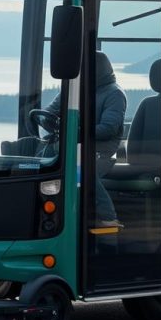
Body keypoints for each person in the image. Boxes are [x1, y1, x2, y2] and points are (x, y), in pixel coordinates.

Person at [43, 51, 126, 228]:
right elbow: (49, 112)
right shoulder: (75, 90)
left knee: (81, 168)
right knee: (35, 156)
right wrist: (46, 120)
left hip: (100, 151)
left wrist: (76, 132)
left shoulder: (115, 94)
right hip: (72, 145)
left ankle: (109, 217)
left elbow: (108, 129)